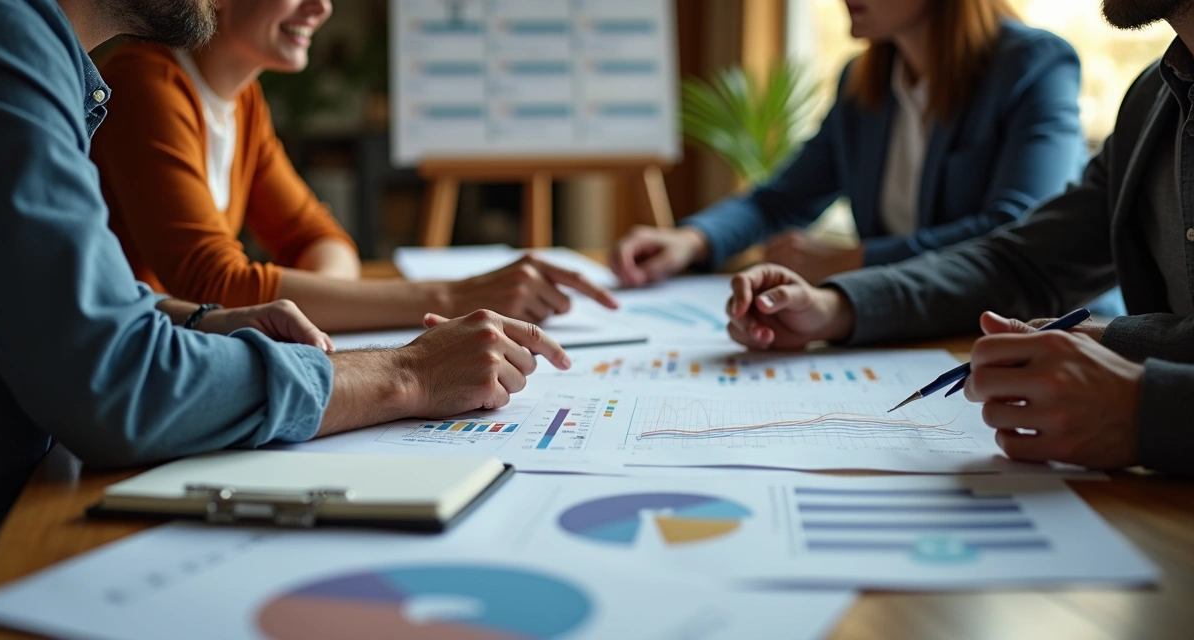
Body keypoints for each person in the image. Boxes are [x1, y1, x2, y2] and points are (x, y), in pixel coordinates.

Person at [0, 0, 569, 557]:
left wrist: (202, 318)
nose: (322, 7)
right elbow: (140, 351)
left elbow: (318, 239)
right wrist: (410, 367)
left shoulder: (224, 97)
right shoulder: (43, 50)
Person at [721, 0, 1194, 475]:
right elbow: (1023, 262)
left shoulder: (1033, 63)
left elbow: (1008, 221)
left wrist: (1149, 405)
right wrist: (837, 307)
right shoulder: (1151, 100)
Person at [90, 0, 617, 331]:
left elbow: (321, 237)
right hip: (127, 361)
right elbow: (212, 283)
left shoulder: (242, 102)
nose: (321, 8)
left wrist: (315, 308)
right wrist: (452, 296)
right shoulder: (144, 83)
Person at [611, 0, 1085, 288]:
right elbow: (781, 200)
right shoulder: (862, 83)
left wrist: (855, 261)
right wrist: (690, 240)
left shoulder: (1034, 66)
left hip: (1040, 332)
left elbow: (1017, 230)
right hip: (917, 331)